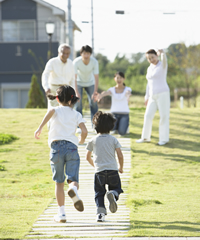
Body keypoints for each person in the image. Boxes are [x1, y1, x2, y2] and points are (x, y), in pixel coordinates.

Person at [34, 85, 88, 223]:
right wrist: (81, 141)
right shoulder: (77, 114)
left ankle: (61, 213)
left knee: (59, 183)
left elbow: (50, 112)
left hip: (56, 148)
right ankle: (73, 190)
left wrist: (39, 128)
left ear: (57, 98)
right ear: (72, 99)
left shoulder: (55, 110)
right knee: (73, 178)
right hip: (71, 148)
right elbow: (85, 131)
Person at [86, 111, 124, 222]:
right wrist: (120, 168)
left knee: (99, 193)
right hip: (112, 170)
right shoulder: (113, 139)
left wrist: (95, 166)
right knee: (117, 188)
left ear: (95, 126)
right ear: (111, 126)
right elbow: (120, 155)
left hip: (99, 172)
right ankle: (113, 194)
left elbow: (87, 157)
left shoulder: (93, 140)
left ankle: (100, 214)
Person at [136, 49, 170, 146]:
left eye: (153, 57)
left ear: (157, 56)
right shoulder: (149, 68)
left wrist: (162, 53)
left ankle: (163, 139)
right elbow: (149, 83)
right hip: (152, 96)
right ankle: (145, 137)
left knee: (164, 116)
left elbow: (164, 60)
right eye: (149, 58)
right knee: (147, 115)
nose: (151, 60)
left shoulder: (162, 66)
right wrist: (146, 96)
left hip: (163, 94)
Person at [42, 44, 75, 109]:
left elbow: (73, 79)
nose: (65, 55)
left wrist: (73, 91)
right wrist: (46, 87)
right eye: (63, 53)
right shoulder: (52, 62)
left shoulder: (71, 64)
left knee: (66, 110)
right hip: (54, 88)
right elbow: (45, 75)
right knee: (53, 110)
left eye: (67, 53)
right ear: (59, 52)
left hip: (66, 89)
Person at [73, 45, 99, 124]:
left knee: (93, 103)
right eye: (84, 53)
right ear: (81, 54)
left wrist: (95, 92)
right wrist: (76, 92)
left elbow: (96, 77)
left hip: (90, 83)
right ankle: (79, 125)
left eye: (88, 53)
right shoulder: (76, 62)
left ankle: (95, 125)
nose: (86, 55)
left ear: (90, 54)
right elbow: (74, 78)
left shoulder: (94, 62)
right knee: (78, 104)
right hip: (79, 83)